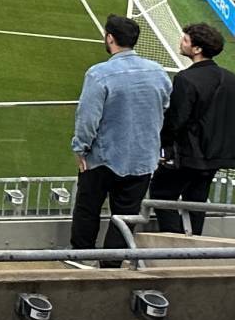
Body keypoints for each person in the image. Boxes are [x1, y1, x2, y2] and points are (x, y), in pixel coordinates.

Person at [69, 13, 173, 262]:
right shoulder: (158, 72)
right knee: (125, 214)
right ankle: (112, 264)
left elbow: (88, 117)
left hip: (104, 156)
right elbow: (166, 106)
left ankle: (81, 257)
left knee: (88, 208)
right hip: (142, 157)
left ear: (110, 38)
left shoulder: (99, 74)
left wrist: (80, 148)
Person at [154, 21, 235, 234]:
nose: (181, 41)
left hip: (189, 155)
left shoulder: (186, 79)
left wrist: (163, 146)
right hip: (217, 155)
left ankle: (174, 247)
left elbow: (176, 121)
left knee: (162, 194)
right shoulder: (233, 80)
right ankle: (192, 245)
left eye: (185, 39)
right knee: (196, 202)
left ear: (197, 49)